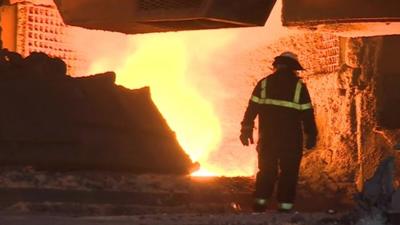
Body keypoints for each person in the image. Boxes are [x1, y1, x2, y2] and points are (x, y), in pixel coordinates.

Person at [240, 51, 318, 212]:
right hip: (291, 139)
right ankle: (284, 207)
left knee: (267, 170)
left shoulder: (264, 83)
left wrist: (246, 129)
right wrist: (311, 134)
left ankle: (260, 204)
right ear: (293, 68)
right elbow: (307, 114)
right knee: (289, 172)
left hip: (268, 137)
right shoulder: (299, 87)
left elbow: (251, 109)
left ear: (276, 66)